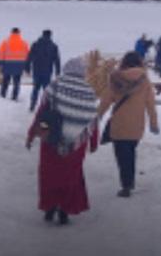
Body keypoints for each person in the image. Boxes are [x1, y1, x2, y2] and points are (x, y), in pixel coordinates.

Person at [26, 57, 100, 225]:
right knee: (70, 175)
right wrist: (93, 142)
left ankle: (50, 207)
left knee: (49, 174)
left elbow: (42, 113)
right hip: (77, 143)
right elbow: (92, 120)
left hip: (51, 138)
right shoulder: (89, 92)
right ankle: (64, 211)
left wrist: (32, 134)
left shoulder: (54, 86)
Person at [97, 51, 159, 198]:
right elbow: (151, 104)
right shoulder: (145, 80)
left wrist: (98, 115)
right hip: (137, 125)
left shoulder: (116, 79)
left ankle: (126, 185)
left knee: (122, 155)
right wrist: (153, 123)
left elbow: (106, 100)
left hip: (119, 124)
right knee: (130, 152)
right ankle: (128, 182)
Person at [25, 29, 61, 112]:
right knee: (46, 90)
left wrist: (27, 68)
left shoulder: (35, 44)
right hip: (47, 71)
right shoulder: (53, 46)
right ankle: (46, 107)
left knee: (35, 88)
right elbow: (57, 60)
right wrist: (57, 72)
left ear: (42, 35)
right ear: (50, 35)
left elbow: (29, 57)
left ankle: (32, 105)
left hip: (36, 70)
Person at [0, 27, 30, 101]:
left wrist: (0, 63)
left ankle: (3, 95)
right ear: (19, 33)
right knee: (16, 82)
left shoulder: (6, 42)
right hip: (19, 64)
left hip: (7, 64)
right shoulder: (24, 43)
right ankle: (14, 96)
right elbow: (28, 55)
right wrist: (27, 66)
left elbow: (1, 53)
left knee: (5, 81)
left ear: (11, 32)